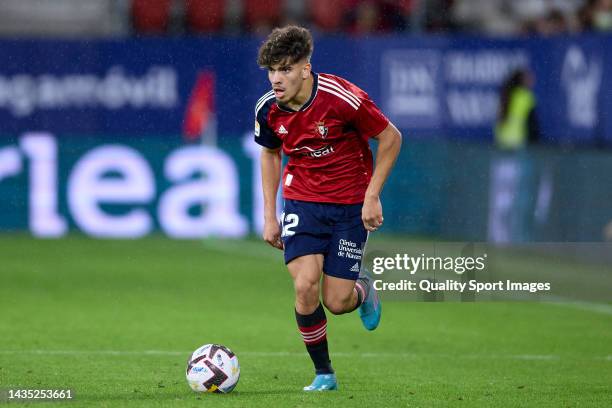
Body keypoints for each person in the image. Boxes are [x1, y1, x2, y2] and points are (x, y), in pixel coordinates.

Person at [254, 25, 402, 391]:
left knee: (337, 302)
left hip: (350, 206)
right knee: (305, 286)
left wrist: (372, 195)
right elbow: (270, 153)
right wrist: (269, 215)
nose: (277, 78)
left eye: (285, 69)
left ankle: (363, 290)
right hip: (302, 202)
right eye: (272, 70)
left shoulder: (342, 98)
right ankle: (324, 374)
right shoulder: (268, 109)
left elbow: (390, 137)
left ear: (305, 68)